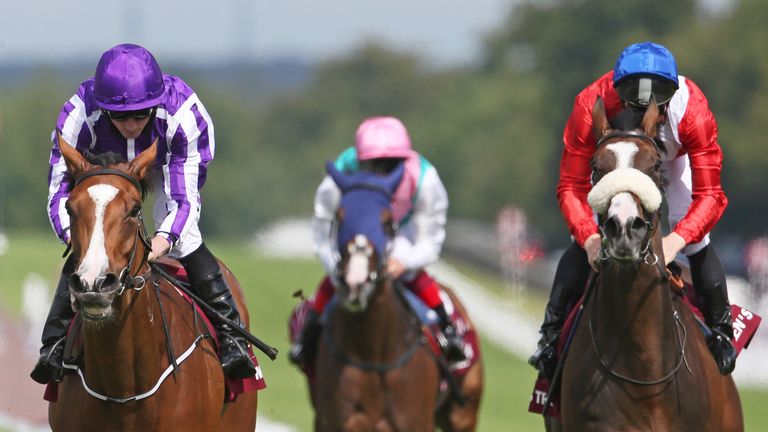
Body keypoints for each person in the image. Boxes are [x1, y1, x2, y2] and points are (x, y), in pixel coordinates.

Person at [31, 43, 257, 383]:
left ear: (157, 103)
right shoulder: (77, 117)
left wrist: (163, 241)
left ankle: (233, 337)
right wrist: (84, 238)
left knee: (186, 240)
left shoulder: (184, 116)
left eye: (141, 114)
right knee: (90, 246)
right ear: (103, 109)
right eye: (120, 116)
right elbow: (58, 194)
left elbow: (183, 200)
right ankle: (53, 344)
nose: (132, 124)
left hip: (164, 162)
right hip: (102, 171)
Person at [529, 41, 736, 377]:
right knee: (584, 240)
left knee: (697, 240)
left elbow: (711, 193)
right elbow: (571, 186)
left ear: (674, 90)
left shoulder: (692, 108)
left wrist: (677, 240)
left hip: (674, 155)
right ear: (615, 87)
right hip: (621, 156)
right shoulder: (589, 104)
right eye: (633, 92)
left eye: (657, 93)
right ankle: (550, 338)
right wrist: (588, 238)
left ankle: (722, 332)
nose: (644, 101)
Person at [289, 116, 465, 366]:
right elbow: (322, 233)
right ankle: (308, 337)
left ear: (406, 160)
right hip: (354, 237)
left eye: (391, 165)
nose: (381, 173)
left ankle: (448, 331)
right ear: (359, 161)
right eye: (373, 165)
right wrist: (336, 267)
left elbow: (431, 242)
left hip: (402, 235)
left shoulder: (426, 180)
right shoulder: (337, 179)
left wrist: (404, 261)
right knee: (338, 278)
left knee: (412, 276)